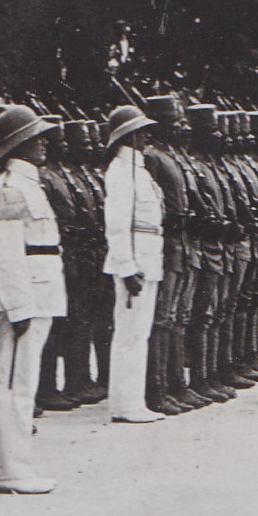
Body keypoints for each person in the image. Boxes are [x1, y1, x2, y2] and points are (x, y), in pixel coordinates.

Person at [0, 105, 65, 495]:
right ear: (21, 144)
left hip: (41, 291)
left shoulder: (30, 185)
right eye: (36, 138)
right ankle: (12, 470)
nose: (44, 144)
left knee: (24, 384)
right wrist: (17, 306)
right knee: (15, 384)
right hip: (26, 296)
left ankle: (19, 465)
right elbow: (5, 252)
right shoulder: (10, 188)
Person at [100, 104, 166, 423]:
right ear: (128, 136)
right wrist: (126, 267)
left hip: (148, 257)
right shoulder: (121, 171)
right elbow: (116, 223)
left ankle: (132, 401)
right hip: (135, 261)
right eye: (141, 132)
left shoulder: (137, 170)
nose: (147, 136)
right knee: (130, 334)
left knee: (139, 333)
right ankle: (125, 404)